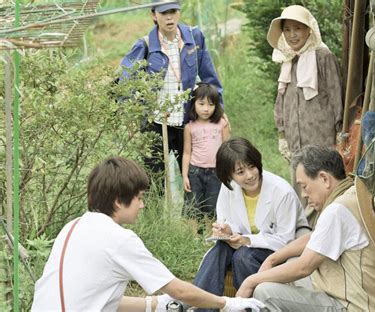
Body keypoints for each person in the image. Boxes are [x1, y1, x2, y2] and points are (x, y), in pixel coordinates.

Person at [31, 157, 264, 311]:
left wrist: (155, 304)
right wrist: (228, 303)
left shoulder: (73, 227)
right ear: (118, 201)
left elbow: (101, 298)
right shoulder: (119, 239)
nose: (142, 205)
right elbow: (179, 290)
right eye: (139, 198)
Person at [235, 145, 375, 311]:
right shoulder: (349, 195)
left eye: (304, 186)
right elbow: (314, 238)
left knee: (265, 292)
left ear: (324, 179)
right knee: (289, 263)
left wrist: (250, 281)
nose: (303, 194)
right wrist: (271, 259)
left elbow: (304, 267)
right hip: (355, 295)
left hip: (351, 306)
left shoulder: (337, 211)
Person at [193, 137, 309, 311]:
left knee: (243, 257)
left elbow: (285, 240)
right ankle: (201, 306)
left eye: (252, 167)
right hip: (247, 246)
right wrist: (227, 229)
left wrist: (247, 241)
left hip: (282, 250)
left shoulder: (281, 192)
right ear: (229, 176)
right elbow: (227, 221)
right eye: (240, 172)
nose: (249, 175)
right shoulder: (229, 188)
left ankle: (251, 307)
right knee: (219, 250)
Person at [120, 0, 224, 180]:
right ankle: (157, 209)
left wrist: (220, 109)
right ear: (154, 15)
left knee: (193, 178)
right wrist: (129, 115)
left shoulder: (194, 38)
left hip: (187, 122)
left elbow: (209, 77)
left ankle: (193, 209)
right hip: (156, 124)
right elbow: (124, 81)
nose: (169, 17)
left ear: (178, 12)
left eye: (173, 11)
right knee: (155, 180)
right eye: (163, 13)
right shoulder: (145, 45)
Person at [267, 5, 344, 226]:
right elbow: (281, 100)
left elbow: (335, 94)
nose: (292, 35)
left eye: (298, 29)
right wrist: (282, 133)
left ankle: (325, 236)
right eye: (288, 29)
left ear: (309, 30)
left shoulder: (322, 56)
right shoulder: (288, 59)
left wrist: (339, 131)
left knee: (323, 189)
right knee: (302, 190)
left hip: (321, 137)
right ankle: (305, 239)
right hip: (296, 139)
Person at [182, 83, 230, 220]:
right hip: (195, 172)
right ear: (194, 104)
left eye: (210, 104)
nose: (206, 109)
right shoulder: (190, 127)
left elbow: (227, 150)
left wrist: (227, 172)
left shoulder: (222, 124)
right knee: (192, 206)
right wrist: (185, 175)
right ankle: (192, 238)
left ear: (216, 106)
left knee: (213, 207)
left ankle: (210, 239)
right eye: (201, 104)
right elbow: (187, 153)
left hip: (216, 172)